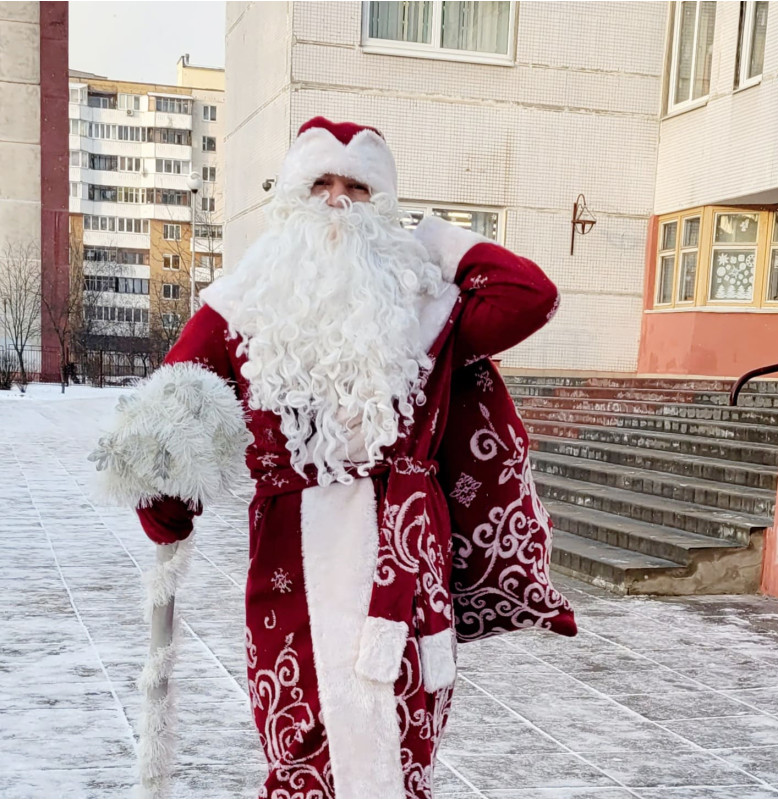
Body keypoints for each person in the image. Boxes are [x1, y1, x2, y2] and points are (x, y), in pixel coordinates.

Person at [92, 117, 576, 799]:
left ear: (385, 207)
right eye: (321, 183)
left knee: (409, 740)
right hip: (292, 561)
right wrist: (168, 502)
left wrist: (437, 239)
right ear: (292, 197)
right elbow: (168, 421)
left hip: (408, 565)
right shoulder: (238, 307)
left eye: (359, 188)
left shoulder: (429, 308)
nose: (338, 201)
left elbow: (531, 296)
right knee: (302, 745)